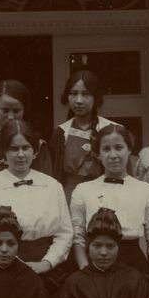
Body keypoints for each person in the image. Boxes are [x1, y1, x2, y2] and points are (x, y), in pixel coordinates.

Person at [0, 118, 72, 276]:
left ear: (35, 150)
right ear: (4, 151)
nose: (20, 154)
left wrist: (48, 262)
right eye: (14, 149)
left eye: (26, 148)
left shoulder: (53, 186)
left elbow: (65, 233)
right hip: (5, 268)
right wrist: (12, 263)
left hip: (46, 268)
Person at [70, 123, 149, 285]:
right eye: (106, 149)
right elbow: (78, 237)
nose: (113, 155)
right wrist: (87, 273)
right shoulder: (83, 190)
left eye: (119, 147)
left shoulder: (147, 191)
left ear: (129, 150)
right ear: (98, 154)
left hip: (134, 266)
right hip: (95, 264)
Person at [0, 79, 55, 209]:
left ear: (24, 108)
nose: (10, 116)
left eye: (16, 111)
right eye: (5, 110)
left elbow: (45, 187)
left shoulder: (37, 145)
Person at [49, 69, 119, 200]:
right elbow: (53, 177)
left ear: (96, 97)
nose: (79, 100)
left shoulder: (111, 130)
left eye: (86, 94)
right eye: (73, 93)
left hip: (105, 195)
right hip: (70, 197)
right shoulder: (61, 133)